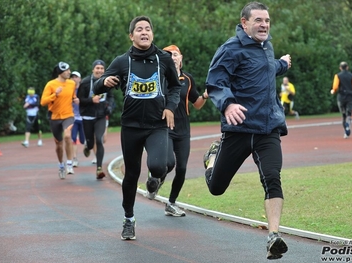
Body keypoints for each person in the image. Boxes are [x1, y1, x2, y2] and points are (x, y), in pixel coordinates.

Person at [203, 2, 290, 260]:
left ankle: (274, 235)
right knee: (217, 188)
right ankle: (211, 161)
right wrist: (228, 104)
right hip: (239, 130)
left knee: (272, 177)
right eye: (259, 20)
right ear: (244, 23)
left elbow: (267, 68)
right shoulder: (230, 49)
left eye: (267, 20)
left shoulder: (266, 47)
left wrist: (283, 64)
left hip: (267, 129)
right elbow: (215, 81)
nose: (264, 25)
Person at [93, 16, 181, 240]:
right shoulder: (122, 61)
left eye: (148, 29)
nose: (144, 32)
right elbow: (95, 87)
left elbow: (174, 87)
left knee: (159, 165)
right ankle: (129, 219)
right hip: (131, 126)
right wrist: (104, 83)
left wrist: (171, 107)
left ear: (152, 34)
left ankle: (155, 180)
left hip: (157, 124)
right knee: (131, 175)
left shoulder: (164, 59)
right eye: (139, 29)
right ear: (131, 36)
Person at [145, 44, 208, 217]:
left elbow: (196, 104)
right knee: (169, 163)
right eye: (168, 55)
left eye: (175, 54)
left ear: (180, 58)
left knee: (181, 168)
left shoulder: (188, 79)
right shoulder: (159, 77)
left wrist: (204, 96)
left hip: (183, 129)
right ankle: (155, 179)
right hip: (164, 127)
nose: (172, 57)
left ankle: (171, 204)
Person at [41, 61, 79, 179]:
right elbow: (43, 102)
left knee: (67, 136)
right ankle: (61, 165)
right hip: (55, 117)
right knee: (58, 144)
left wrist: (75, 99)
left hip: (68, 115)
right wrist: (55, 95)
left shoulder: (71, 83)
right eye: (67, 70)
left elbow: (72, 96)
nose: (69, 72)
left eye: (69, 70)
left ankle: (69, 164)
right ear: (60, 72)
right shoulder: (51, 85)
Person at [77, 60, 114, 179]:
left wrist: (109, 106)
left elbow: (111, 98)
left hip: (100, 115)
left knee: (99, 139)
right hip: (87, 116)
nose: (99, 70)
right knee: (91, 142)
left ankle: (99, 169)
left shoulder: (107, 82)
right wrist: (91, 100)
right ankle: (87, 146)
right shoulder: (85, 82)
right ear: (93, 69)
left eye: (102, 68)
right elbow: (80, 99)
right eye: (97, 68)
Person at [330, 61, 352, 138]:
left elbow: (335, 87)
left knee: (343, 115)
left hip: (341, 97)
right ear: (347, 67)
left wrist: (333, 90)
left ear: (340, 68)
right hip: (350, 96)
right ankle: (348, 125)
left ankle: (346, 131)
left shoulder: (337, 76)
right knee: (349, 113)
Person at [70, 71, 84, 167]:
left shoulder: (84, 89)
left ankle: (87, 144)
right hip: (72, 118)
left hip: (83, 117)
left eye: (76, 77)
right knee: (73, 138)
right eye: (72, 77)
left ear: (80, 79)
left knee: (83, 140)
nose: (74, 79)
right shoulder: (68, 90)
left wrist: (81, 102)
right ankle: (74, 158)